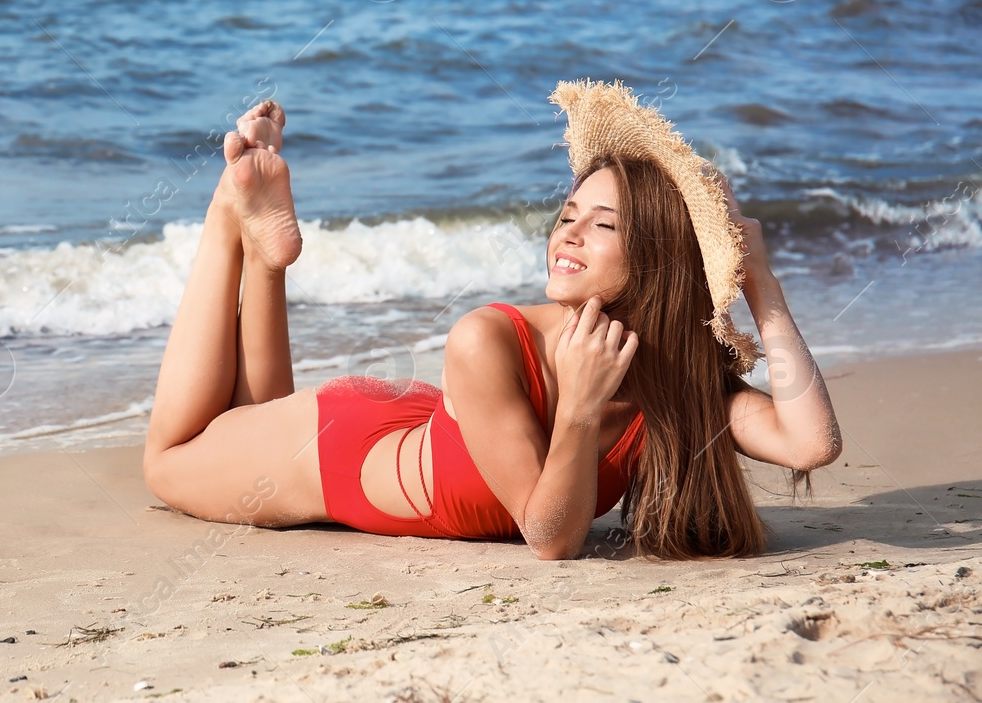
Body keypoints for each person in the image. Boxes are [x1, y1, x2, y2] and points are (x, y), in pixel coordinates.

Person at [142, 80, 842, 560]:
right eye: (567, 215)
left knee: (247, 415)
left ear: (659, 259)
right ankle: (225, 217)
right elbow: (550, 539)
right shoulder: (488, 337)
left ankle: (264, 257)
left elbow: (811, 443)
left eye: (601, 225)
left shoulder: (670, 381)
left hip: (427, 427)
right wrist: (577, 409)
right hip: (337, 450)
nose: (567, 234)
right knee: (167, 461)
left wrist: (762, 286)